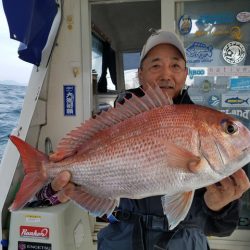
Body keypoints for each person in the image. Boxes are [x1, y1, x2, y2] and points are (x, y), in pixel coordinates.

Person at [35, 30, 250, 249]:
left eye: (175, 65)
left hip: (184, 241)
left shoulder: (211, 130)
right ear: (140, 73)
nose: (166, 74)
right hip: (122, 238)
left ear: (185, 74)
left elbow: (222, 228)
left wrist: (220, 209)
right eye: (156, 65)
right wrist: (51, 191)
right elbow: (51, 195)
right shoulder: (112, 122)